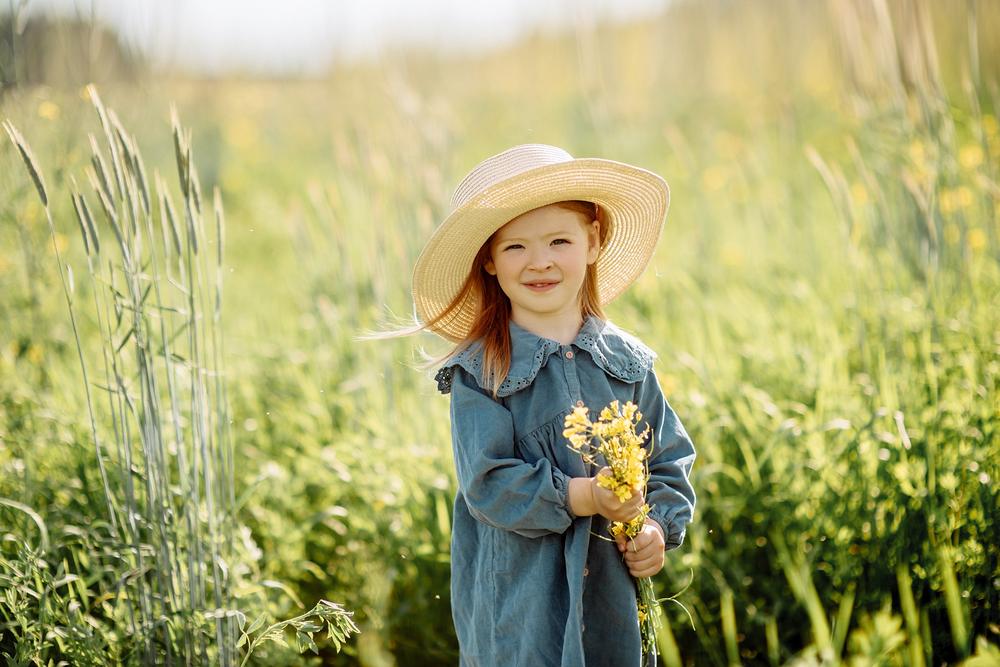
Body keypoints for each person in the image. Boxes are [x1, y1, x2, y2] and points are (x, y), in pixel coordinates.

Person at [409, 144, 696, 666]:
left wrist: (655, 528)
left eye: (558, 240)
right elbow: (488, 483)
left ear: (593, 241)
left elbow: (668, 461)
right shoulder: (484, 372)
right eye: (515, 247)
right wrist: (585, 495)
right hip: (520, 607)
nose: (539, 261)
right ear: (490, 262)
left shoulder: (626, 363)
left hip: (610, 602)